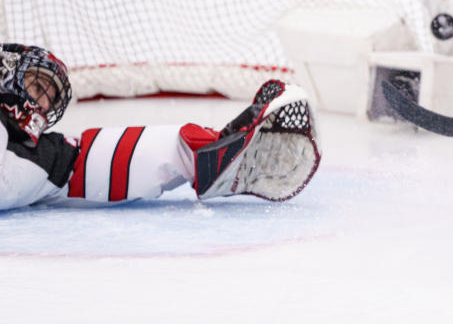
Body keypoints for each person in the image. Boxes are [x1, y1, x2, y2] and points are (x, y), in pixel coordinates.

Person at [0, 43, 321, 210]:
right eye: (38, 85)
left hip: (50, 170)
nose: (42, 104)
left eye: (50, 98)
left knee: (181, 147)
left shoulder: (52, 156)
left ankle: (228, 161)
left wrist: (196, 152)